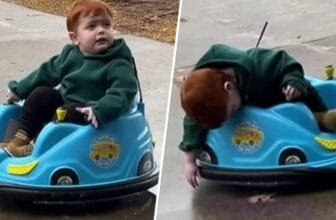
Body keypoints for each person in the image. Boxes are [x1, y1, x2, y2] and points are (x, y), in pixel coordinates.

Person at [179, 44, 336, 188]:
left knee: (316, 118)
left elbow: (287, 64)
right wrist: (190, 161)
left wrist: (293, 82)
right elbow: (192, 124)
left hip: (295, 99)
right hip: (267, 118)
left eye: (232, 110)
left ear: (229, 87)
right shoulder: (202, 99)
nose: (232, 117)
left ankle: (325, 119)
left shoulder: (258, 65)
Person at [1, 0, 138, 157]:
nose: (101, 30)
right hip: (65, 104)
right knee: (41, 95)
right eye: (92, 26)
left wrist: (100, 109)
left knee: (68, 111)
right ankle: (20, 139)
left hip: (90, 112)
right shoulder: (69, 55)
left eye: (106, 25)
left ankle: (40, 147)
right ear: (75, 38)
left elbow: (123, 91)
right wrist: (19, 90)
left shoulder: (117, 62)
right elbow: (44, 73)